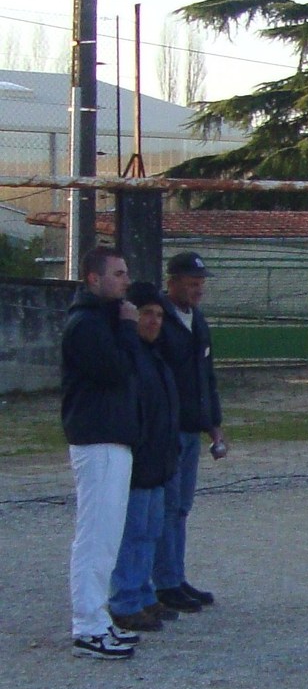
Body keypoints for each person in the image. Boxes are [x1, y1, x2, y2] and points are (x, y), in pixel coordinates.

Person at [61, 246, 143, 659]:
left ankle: (98, 617)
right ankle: (87, 625)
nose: (126, 280)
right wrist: (128, 329)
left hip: (112, 436)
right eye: (118, 273)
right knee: (95, 536)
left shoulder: (102, 320)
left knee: (107, 536)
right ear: (94, 278)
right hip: (98, 438)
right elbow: (115, 371)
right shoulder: (87, 324)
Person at [153, 252, 225, 613]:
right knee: (167, 507)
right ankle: (164, 583)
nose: (198, 290)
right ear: (173, 282)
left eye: (201, 284)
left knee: (181, 507)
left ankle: (175, 576)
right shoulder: (159, 320)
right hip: (166, 429)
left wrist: (214, 423)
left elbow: (206, 377)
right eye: (192, 283)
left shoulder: (197, 320)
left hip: (191, 427)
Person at [107, 281, 181, 633]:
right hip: (140, 460)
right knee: (134, 532)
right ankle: (125, 601)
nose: (154, 321)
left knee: (150, 531)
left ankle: (143, 594)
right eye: (147, 314)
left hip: (157, 460)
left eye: (159, 315)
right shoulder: (132, 356)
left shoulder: (153, 354)